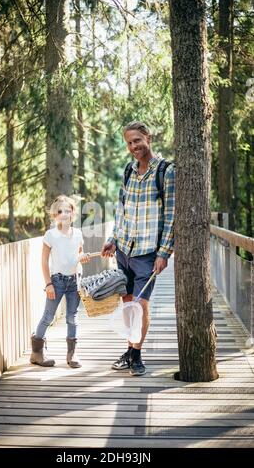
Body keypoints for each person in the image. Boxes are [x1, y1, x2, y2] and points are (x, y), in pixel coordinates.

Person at [102, 121, 175, 376]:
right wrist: (112, 238)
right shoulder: (128, 171)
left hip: (147, 253)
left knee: (141, 305)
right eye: (129, 143)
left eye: (137, 141)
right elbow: (121, 210)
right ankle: (129, 351)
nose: (134, 147)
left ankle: (137, 354)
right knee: (127, 304)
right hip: (124, 250)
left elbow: (171, 216)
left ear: (148, 138)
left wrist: (164, 253)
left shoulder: (166, 171)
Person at [30, 195, 90, 368]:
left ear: (73, 213)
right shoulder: (51, 235)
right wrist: (48, 283)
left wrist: (82, 259)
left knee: (73, 318)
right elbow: (44, 261)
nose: (64, 214)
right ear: (54, 215)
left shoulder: (78, 234)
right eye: (60, 211)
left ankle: (72, 354)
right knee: (48, 316)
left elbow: (77, 255)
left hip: (73, 282)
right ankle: (37, 353)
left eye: (68, 210)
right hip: (56, 281)